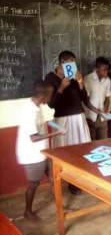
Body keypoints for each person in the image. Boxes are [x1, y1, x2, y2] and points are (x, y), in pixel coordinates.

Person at [16, 80, 66, 221]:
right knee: (34, 184)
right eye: (51, 94)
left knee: (53, 177)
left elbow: (43, 123)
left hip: (44, 151)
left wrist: (54, 124)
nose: (52, 97)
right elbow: (33, 138)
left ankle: (60, 206)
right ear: (43, 96)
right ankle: (27, 211)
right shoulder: (29, 111)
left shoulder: (38, 106)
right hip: (31, 154)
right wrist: (56, 133)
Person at [45, 50, 91, 195]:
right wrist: (61, 88)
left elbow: (85, 99)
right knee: (66, 151)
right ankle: (69, 182)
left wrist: (80, 83)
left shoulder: (74, 76)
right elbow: (51, 104)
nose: (74, 65)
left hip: (79, 117)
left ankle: (79, 181)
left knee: (81, 150)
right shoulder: (50, 78)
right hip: (63, 119)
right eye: (72, 62)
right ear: (63, 62)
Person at [84, 57, 111, 140]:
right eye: (104, 70)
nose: (106, 72)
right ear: (97, 69)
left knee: (103, 140)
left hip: (102, 118)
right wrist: (98, 112)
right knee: (91, 141)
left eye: (107, 70)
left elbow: (107, 99)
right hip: (90, 116)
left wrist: (104, 112)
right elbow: (86, 101)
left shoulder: (108, 81)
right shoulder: (88, 79)